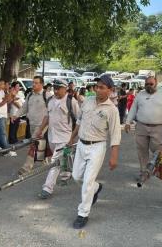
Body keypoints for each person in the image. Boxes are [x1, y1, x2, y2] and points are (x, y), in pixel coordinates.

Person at [67, 74, 121, 229]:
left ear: (110, 90)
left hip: (97, 147)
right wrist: (72, 138)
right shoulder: (87, 102)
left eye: (102, 87)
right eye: (97, 86)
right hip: (81, 145)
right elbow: (79, 121)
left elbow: (116, 134)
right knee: (76, 176)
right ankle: (97, 188)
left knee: (87, 182)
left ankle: (83, 214)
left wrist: (114, 156)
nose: (98, 90)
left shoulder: (112, 110)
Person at [34, 78, 80, 199]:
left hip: (65, 137)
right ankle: (66, 175)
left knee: (54, 162)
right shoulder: (50, 100)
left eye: (58, 88)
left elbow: (80, 120)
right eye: (54, 88)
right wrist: (40, 130)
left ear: (65, 89)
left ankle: (47, 188)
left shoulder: (71, 101)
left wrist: (72, 137)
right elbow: (47, 116)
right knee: (63, 158)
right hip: (52, 136)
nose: (56, 90)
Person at [125, 76, 162, 182]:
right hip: (141, 126)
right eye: (147, 84)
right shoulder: (140, 95)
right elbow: (133, 109)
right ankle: (143, 172)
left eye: (151, 84)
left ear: (156, 84)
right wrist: (128, 122)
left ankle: (152, 168)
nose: (148, 86)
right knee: (142, 150)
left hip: (158, 128)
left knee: (158, 150)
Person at [13, 76, 51, 175]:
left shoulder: (47, 95)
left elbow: (52, 110)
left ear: (42, 84)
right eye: (33, 82)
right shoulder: (30, 95)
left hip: (42, 125)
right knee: (40, 144)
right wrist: (16, 115)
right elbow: (24, 108)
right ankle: (45, 164)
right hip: (32, 124)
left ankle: (26, 168)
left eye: (36, 83)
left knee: (34, 144)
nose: (34, 84)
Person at [0, 79, 12, 150]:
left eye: (3, 84)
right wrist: (6, 99)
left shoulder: (2, 91)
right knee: (1, 133)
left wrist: (8, 91)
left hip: (3, 115)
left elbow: (9, 100)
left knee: (2, 132)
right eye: (1, 84)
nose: (2, 86)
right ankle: (5, 148)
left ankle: (0, 146)